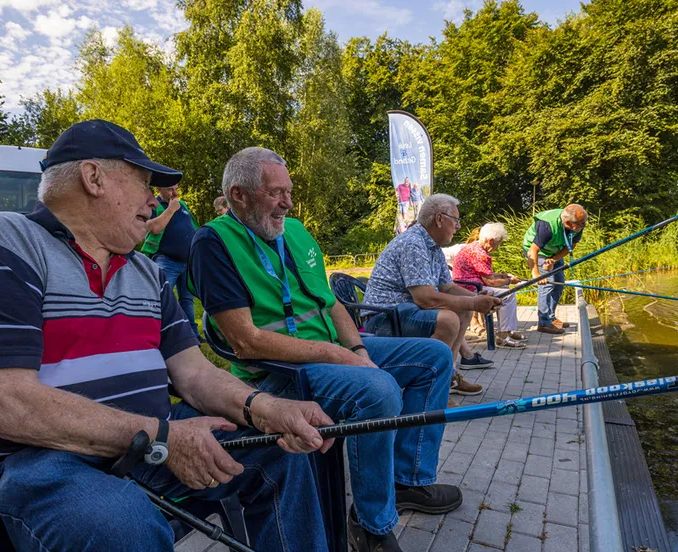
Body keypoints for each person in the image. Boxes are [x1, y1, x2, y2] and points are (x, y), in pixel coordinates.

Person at [0, 120, 335, 551]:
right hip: (38, 461)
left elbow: (195, 374)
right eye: (145, 182)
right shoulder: (8, 245)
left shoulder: (146, 272)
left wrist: (267, 409)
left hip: (148, 445)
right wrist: (161, 438)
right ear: (93, 178)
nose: (153, 200)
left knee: (281, 452)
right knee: (122, 524)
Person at [189, 147, 459, 552]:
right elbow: (244, 341)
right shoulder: (211, 241)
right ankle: (371, 524)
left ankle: (408, 481)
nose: (288, 202)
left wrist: (356, 347)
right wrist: (340, 356)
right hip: (278, 370)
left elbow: (331, 304)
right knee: (379, 390)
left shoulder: (294, 231)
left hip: (330, 350)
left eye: (289, 191)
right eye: (275, 193)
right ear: (238, 195)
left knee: (434, 359)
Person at [361, 194, 502, 404]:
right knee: (448, 320)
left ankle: (448, 377)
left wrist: (476, 298)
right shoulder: (413, 243)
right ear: (439, 219)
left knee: (463, 310)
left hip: (403, 313)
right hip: (383, 318)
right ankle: (428, 386)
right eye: (456, 220)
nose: (458, 226)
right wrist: (474, 302)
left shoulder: (432, 246)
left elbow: (448, 287)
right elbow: (425, 299)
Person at [453, 222, 526, 348]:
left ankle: (508, 330)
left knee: (505, 290)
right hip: (469, 288)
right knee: (507, 294)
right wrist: (510, 280)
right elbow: (490, 282)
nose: (498, 246)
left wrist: (502, 275)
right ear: (491, 240)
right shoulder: (480, 254)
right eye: (498, 242)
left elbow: (485, 274)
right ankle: (503, 337)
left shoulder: (474, 246)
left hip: (468, 284)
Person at [141, 182, 199, 334]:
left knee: (187, 300)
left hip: (187, 262)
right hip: (167, 261)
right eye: (169, 189)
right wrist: (171, 209)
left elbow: (194, 228)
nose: (174, 193)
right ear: (159, 189)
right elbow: (152, 228)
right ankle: (156, 331)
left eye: (176, 189)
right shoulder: (154, 205)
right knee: (160, 296)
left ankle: (192, 333)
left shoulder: (183, 206)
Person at [522, 204, 588, 334]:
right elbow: (532, 251)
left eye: (584, 222)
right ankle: (544, 323)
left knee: (559, 282)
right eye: (581, 224)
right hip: (537, 252)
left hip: (554, 251)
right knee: (547, 283)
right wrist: (535, 273)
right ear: (568, 223)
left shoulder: (578, 225)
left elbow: (572, 245)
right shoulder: (547, 226)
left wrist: (555, 259)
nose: (584, 226)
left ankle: (551, 318)